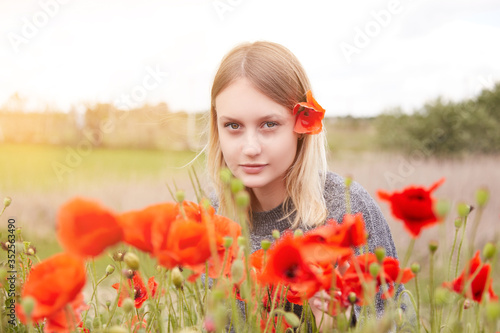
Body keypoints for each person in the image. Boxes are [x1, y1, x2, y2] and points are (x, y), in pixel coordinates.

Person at [204, 41, 415, 332]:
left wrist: (334, 327)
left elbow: (397, 324)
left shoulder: (348, 210)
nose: (250, 148)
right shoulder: (211, 218)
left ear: (302, 125)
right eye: (233, 126)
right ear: (217, 127)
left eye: (269, 124)